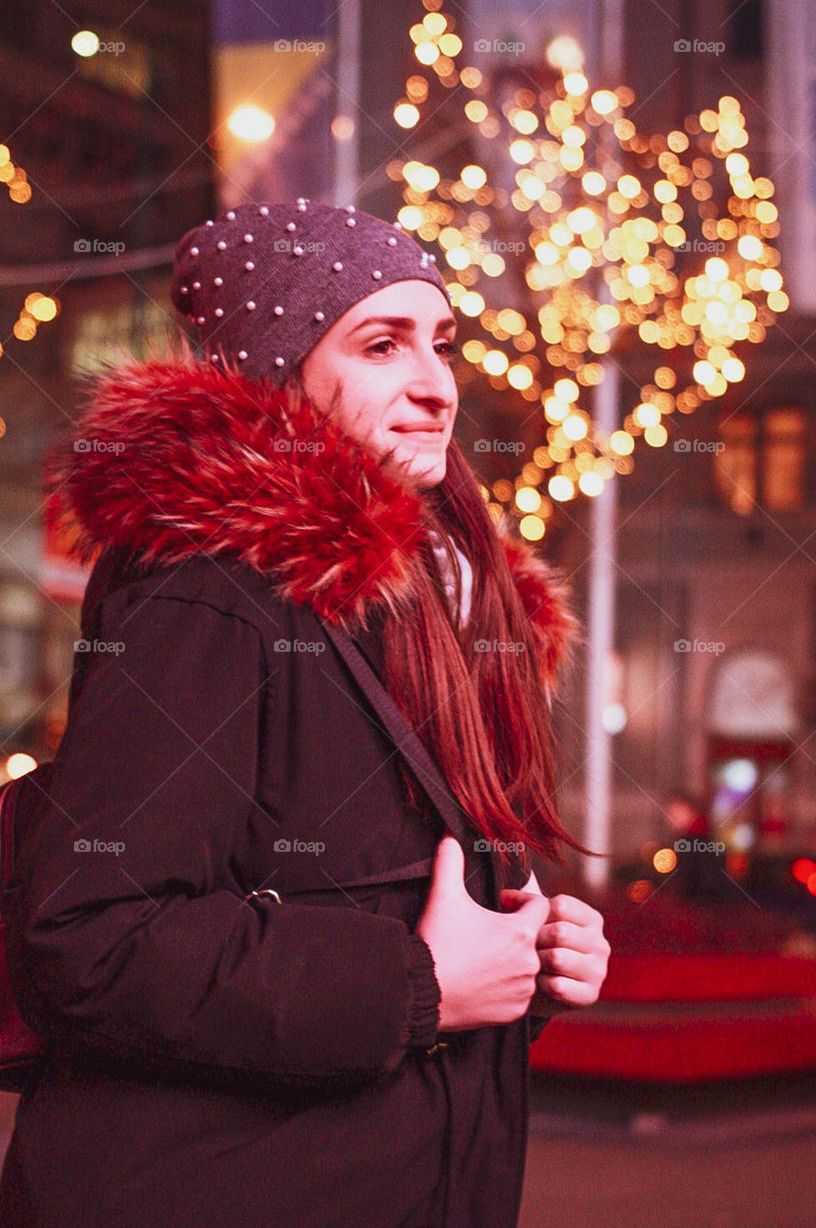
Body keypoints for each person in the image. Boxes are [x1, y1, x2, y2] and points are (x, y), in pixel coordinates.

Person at [0, 200, 610, 1228]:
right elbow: (90, 936)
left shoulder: (421, 613)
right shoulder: (208, 595)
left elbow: (350, 900)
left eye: (440, 342)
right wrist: (420, 981)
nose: (436, 383)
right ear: (277, 372)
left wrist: (518, 954)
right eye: (381, 345)